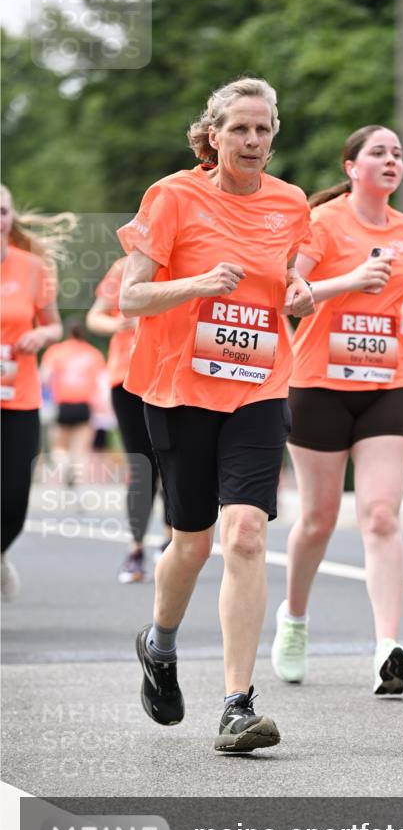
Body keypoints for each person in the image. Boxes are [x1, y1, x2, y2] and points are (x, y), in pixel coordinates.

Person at [117, 78, 313, 753]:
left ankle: (237, 703)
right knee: (193, 542)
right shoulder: (173, 197)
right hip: (180, 390)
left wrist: (298, 291)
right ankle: (160, 643)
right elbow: (131, 297)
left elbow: (287, 282)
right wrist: (196, 285)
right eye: (239, 130)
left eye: (263, 130)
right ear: (214, 134)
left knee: (247, 536)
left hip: (259, 386)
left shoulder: (289, 203)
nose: (253, 141)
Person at [270, 124, 403, 694]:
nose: (391, 160)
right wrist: (350, 280)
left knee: (382, 515)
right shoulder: (323, 223)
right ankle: (293, 620)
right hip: (319, 383)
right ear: (350, 166)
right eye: (378, 152)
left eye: (397, 153)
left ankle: (386, 647)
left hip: (388, 382)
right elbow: (292, 298)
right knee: (318, 519)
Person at [0, 184, 72, 600]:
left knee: (13, 502)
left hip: (20, 398)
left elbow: (54, 325)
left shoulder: (32, 268)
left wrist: (38, 336)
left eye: (4, 212)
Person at [87, 256, 172, 584]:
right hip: (126, 377)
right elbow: (95, 317)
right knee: (141, 465)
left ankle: (168, 543)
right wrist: (120, 324)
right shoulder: (125, 266)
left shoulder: (189, 261)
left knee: (171, 462)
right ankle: (135, 549)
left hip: (169, 376)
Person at [41, 318, 107, 487]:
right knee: (81, 449)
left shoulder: (55, 351)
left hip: (63, 405)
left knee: (58, 447)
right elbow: (102, 383)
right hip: (85, 406)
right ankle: (78, 486)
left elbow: (45, 377)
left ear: (67, 333)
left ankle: (64, 467)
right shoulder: (94, 353)